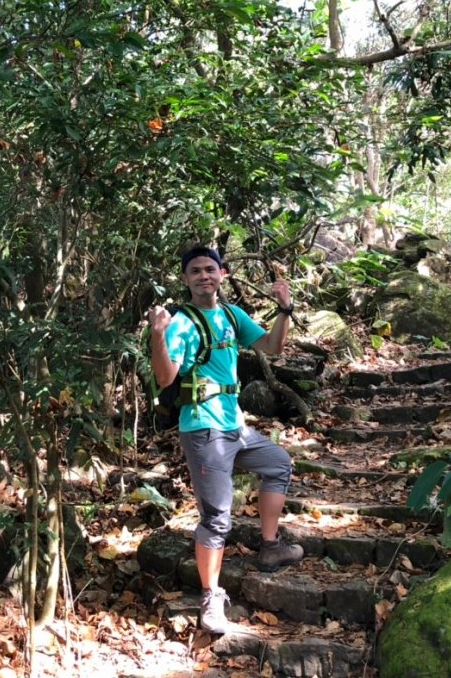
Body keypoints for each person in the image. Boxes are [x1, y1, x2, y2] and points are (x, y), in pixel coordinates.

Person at [147, 246, 303, 635]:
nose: (204, 276)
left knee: (279, 464)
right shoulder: (182, 323)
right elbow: (166, 378)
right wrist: (158, 336)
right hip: (202, 428)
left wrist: (285, 311)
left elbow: (272, 347)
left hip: (236, 426)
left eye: (210, 269)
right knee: (217, 518)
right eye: (195, 271)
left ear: (223, 274)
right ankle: (211, 597)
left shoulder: (233, 315)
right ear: (185, 279)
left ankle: (270, 547)